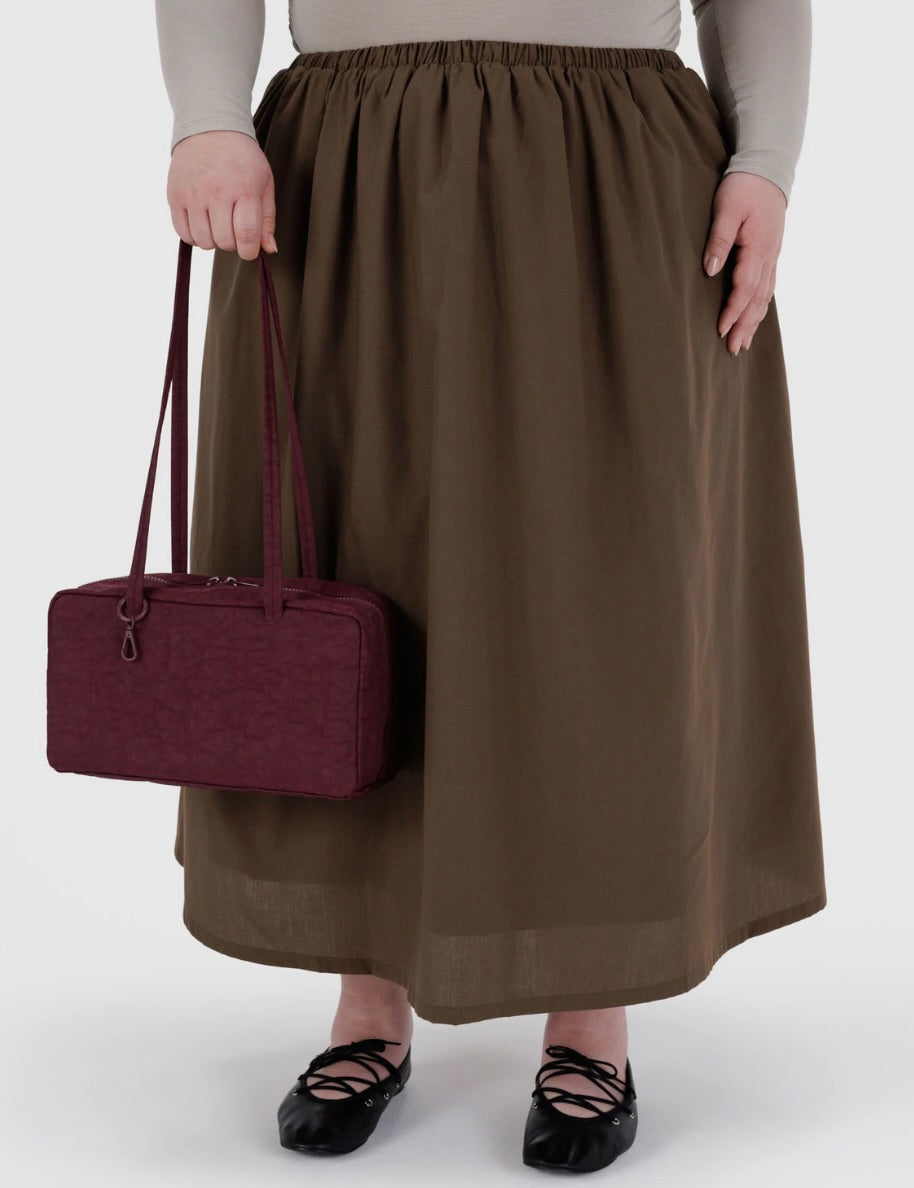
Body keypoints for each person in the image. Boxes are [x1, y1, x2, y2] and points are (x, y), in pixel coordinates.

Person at [154, 1, 827, 1172]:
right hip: (348, 165)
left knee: (609, 594)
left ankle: (591, 1010)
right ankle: (366, 1000)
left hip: (611, 167)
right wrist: (206, 117)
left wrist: (764, 163)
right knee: (347, 582)